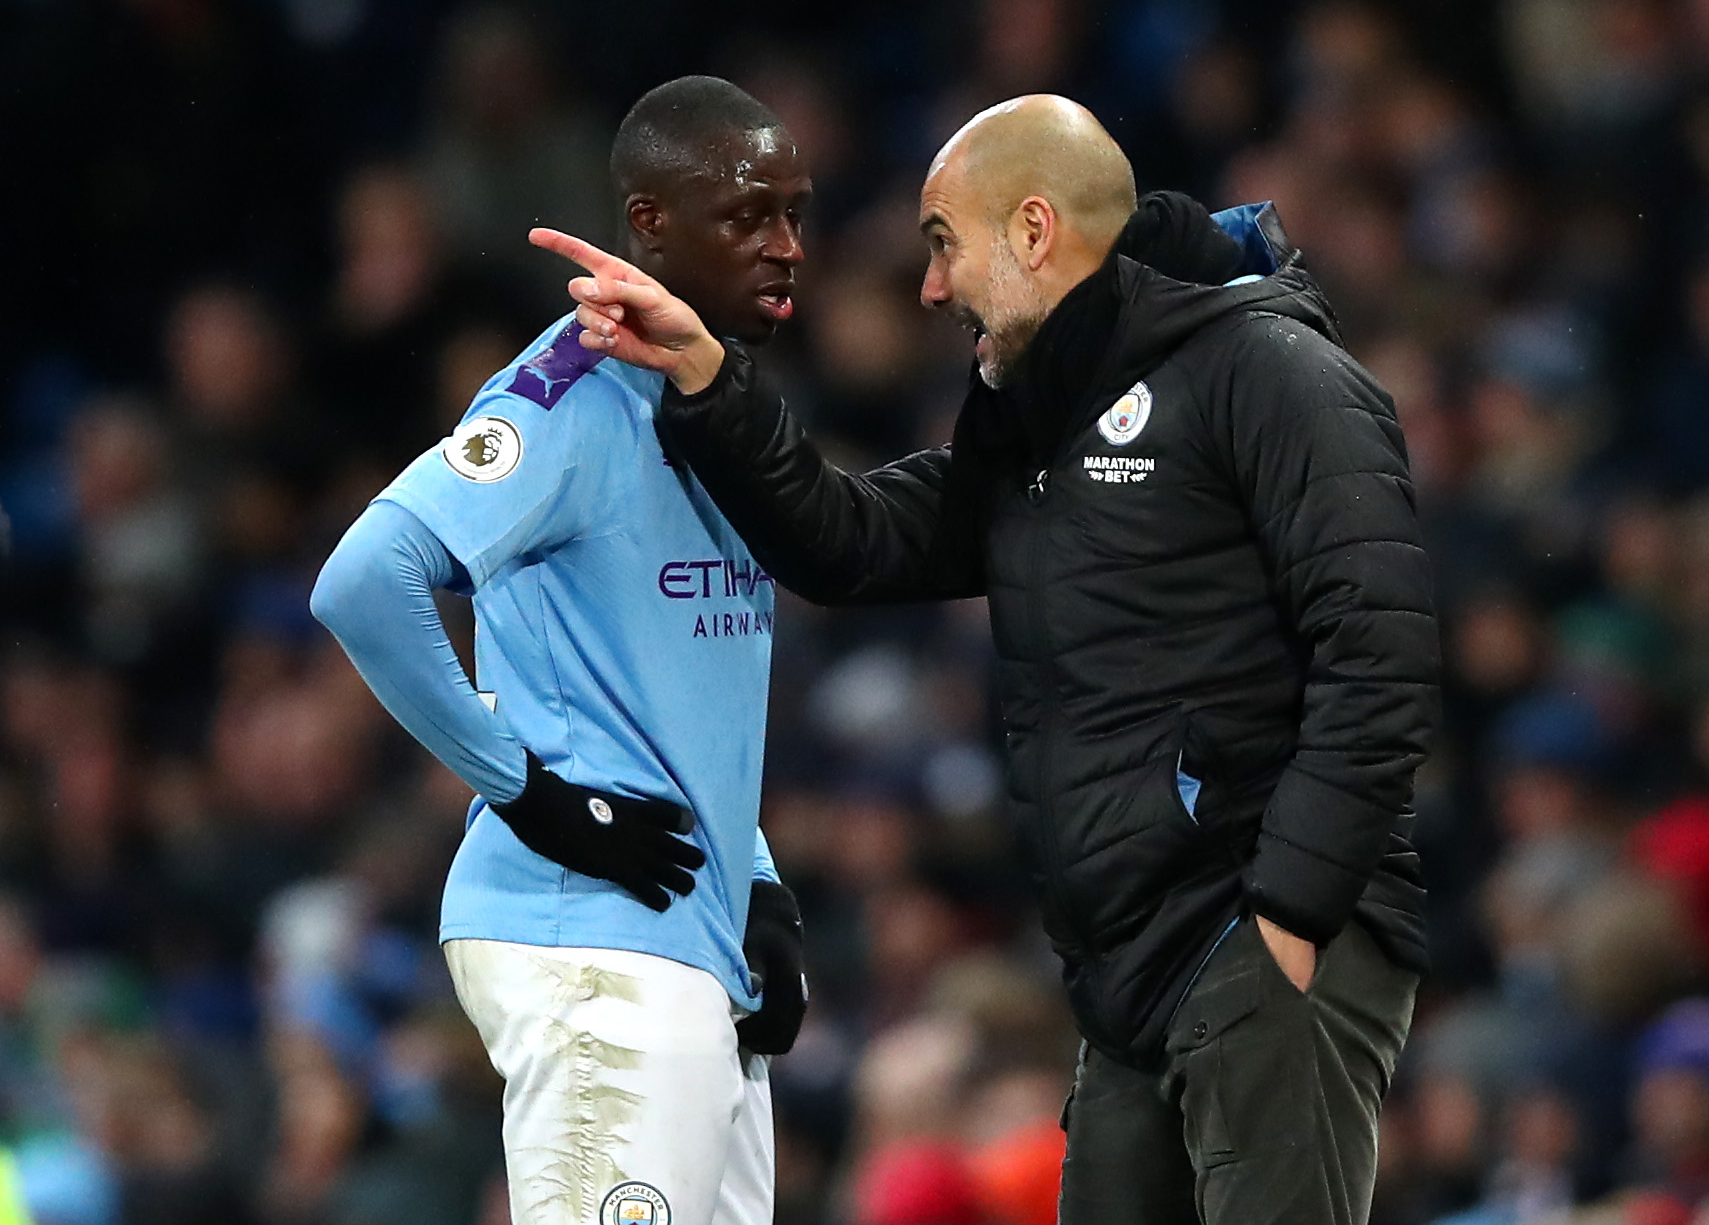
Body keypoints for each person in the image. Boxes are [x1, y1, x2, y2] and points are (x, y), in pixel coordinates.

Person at [536, 94, 1439, 1225]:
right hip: (1128, 977)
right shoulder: (1036, 432)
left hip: (1255, 939)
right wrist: (710, 382)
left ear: (1031, 231)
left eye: (940, 244)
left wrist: (1289, 919)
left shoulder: (1270, 373)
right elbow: (850, 543)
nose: (929, 288)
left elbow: (1380, 655)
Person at [310, 75, 813, 1225]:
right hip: (592, 937)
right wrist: (525, 791)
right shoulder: (570, 390)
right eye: (748, 216)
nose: (785, 246)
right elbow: (364, 580)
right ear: (649, 225)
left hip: (689, 936)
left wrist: (759, 881)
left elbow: (677, 684)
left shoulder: (716, 405)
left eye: (795, 212)